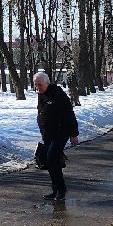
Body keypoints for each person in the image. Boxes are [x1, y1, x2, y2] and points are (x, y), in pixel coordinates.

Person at [34, 69, 79, 202]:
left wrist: (73, 134)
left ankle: (61, 190)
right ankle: (55, 189)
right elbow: (42, 114)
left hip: (61, 132)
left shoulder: (58, 95)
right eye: (35, 84)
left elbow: (69, 115)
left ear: (47, 83)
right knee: (49, 160)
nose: (37, 87)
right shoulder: (41, 94)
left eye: (39, 85)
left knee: (52, 158)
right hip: (47, 134)